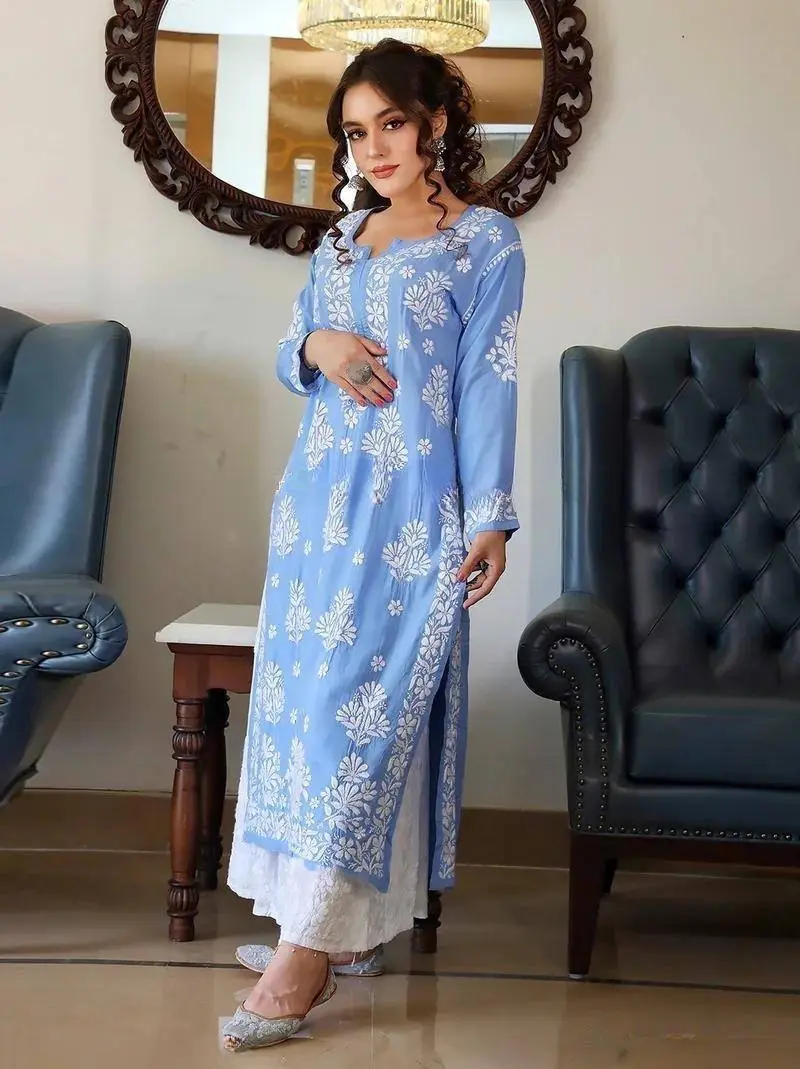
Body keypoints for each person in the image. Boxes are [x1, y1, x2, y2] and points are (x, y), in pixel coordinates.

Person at [223, 37, 525, 1053]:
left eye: (391, 124)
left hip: (410, 514)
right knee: (308, 714)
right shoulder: (343, 239)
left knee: (370, 715)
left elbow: (487, 381)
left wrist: (490, 516)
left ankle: (305, 958)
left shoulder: (483, 243)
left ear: (435, 121)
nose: (375, 148)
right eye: (357, 133)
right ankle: (321, 929)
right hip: (317, 509)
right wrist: (320, 343)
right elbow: (292, 347)